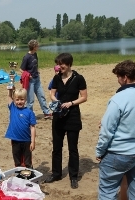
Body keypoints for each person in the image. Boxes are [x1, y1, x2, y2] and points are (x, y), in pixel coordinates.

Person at [96, 60, 135, 199]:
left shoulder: (118, 99)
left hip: (120, 153)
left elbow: (107, 131)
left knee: (107, 192)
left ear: (125, 77)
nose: (118, 81)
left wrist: (100, 151)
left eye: (118, 77)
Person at [44, 53, 87, 189]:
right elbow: (52, 92)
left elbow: (84, 97)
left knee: (72, 148)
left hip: (73, 116)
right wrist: (55, 100)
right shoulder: (56, 78)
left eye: (61, 64)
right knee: (56, 147)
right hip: (58, 116)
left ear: (69, 64)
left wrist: (71, 103)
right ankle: (56, 173)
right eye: (58, 63)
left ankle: (73, 176)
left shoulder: (79, 78)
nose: (59, 66)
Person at [5, 88, 37, 168]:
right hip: (15, 140)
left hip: (26, 141)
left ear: (25, 99)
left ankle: (29, 176)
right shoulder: (13, 108)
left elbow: (32, 127)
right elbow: (9, 97)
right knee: (17, 161)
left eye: (22, 99)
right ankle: (19, 176)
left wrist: (32, 142)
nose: (19, 102)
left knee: (27, 162)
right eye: (17, 100)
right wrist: (10, 90)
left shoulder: (29, 112)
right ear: (14, 100)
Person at [20, 39, 51, 119]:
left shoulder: (35, 54)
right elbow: (21, 70)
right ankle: (29, 115)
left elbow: (35, 65)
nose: (38, 47)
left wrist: (37, 70)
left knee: (42, 96)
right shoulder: (26, 57)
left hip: (37, 79)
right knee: (30, 100)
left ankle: (46, 113)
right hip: (30, 81)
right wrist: (28, 75)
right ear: (34, 47)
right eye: (37, 45)